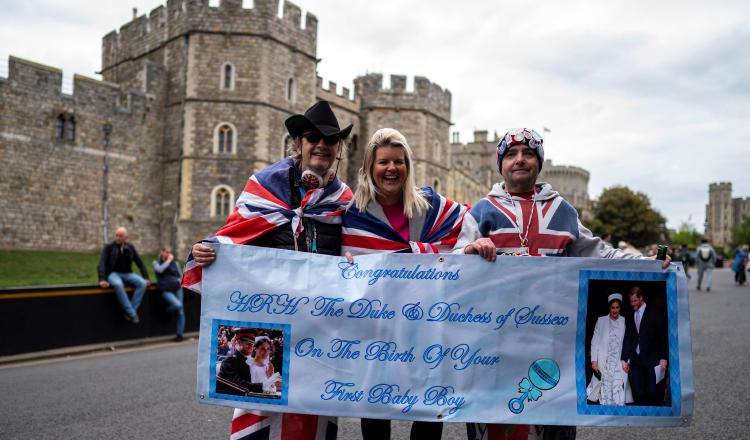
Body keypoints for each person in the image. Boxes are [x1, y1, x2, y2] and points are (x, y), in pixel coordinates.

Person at [456, 128, 670, 440]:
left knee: (552, 425)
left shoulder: (561, 211)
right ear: (500, 164)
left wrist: (643, 264)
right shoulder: (481, 211)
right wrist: (470, 250)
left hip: (551, 341)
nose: (520, 160)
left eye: (528, 154)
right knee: (495, 426)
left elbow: (599, 253)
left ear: (539, 163)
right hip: (495, 345)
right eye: (511, 154)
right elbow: (451, 265)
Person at [184, 100, 351, 440]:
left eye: (330, 140)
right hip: (269, 328)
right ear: (298, 144)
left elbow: (363, 250)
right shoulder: (264, 186)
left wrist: (356, 266)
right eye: (312, 137)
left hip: (320, 330)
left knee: (314, 416)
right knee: (261, 412)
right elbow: (233, 239)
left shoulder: (345, 200)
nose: (321, 144)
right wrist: (206, 251)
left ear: (337, 150)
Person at [342, 128, 468, 440]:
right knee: (374, 405)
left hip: (428, 324)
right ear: (370, 166)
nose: (392, 168)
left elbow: (470, 230)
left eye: (399, 161)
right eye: (383, 162)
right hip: (376, 327)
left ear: (408, 166)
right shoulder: (353, 215)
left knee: (429, 404)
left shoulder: (432, 206)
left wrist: (472, 247)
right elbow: (339, 262)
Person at [620, 286, 668, 406]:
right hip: (636, 359)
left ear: (641, 298)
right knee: (637, 391)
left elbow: (663, 336)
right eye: (631, 301)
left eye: (635, 301)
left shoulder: (655, 312)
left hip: (653, 358)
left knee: (652, 392)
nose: (632, 304)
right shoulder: (630, 315)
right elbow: (627, 338)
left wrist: (664, 357)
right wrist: (623, 358)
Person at [97, 227, 150, 323]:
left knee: (142, 283)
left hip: (128, 273)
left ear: (126, 237)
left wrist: (145, 277)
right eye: (116, 235)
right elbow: (102, 263)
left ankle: (129, 312)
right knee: (118, 285)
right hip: (113, 274)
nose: (117, 238)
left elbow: (139, 262)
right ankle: (133, 314)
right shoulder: (108, 247)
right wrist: (102, 279)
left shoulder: (130, 247)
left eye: (120, 236)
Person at [588, 293, 632, 405]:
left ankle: (618, 418)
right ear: (609, 307)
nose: (615, 310)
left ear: (620, 308)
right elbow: (595, 342)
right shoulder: (601, 320)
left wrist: (627, 360)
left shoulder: (624, 321)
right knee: (605, 389)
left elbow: (629, 342)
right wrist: (594, 361)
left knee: (618, 389)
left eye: (617, 307)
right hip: (604, 362)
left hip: (618, 362)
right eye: (613, 307)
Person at [217, 328, 280, 395]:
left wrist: (269, 378)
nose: (251, 346)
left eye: (253, 343)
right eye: (248, 343)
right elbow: (239, 385)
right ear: (238, 342)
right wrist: (264, 385)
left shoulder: (246, 361)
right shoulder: (230, 361)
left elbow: (251, 383)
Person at [152, 247, 185, 342]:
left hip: (177, 288)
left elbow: (180, 275)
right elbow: (159, 270)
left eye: (170, 252)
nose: (168, 254)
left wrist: (179, 280)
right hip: (165, 289)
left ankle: (179, 334)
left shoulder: (175, 263)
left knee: (180, 311)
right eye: (166, 252)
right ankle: (166, 312)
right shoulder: (156, 263)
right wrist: (168, 261)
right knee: (177, 305)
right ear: (162, 252)